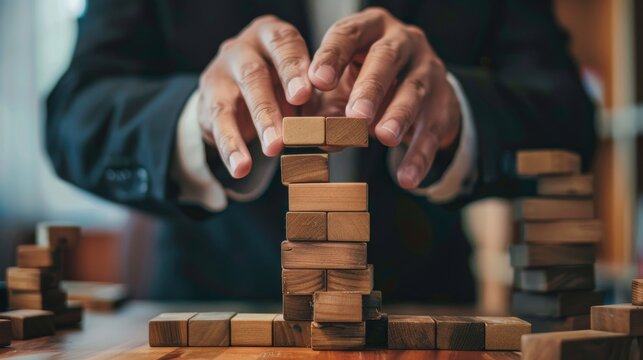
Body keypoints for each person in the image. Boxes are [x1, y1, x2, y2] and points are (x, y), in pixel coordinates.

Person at [46, 0, 595, 302]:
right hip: (211, 299)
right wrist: (203, 118)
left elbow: (570, 116)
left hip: (427, 309)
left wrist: (453, 107)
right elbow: (75, 113)